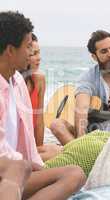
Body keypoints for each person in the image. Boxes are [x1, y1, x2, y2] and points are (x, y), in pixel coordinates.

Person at [0, 11, 85, 199]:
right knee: (19, 167)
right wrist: (25, 166)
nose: (31, 53)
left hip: (17, 175)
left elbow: (29, 140)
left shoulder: (18, 82)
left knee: (74, 174)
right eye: (28, 46)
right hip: (8, 171)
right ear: (10, 50)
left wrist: (37, 166)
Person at [19, 33, 45, 147]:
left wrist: (38, 151)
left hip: (32, 147)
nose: (39, 57)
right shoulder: (12, 82)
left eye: (39, 52)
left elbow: (39, 123)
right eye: (34, 54)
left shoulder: (39, 80)